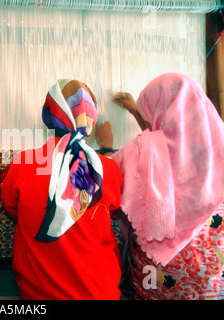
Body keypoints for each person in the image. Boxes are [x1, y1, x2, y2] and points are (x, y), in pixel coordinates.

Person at [96, 73, 224, 300]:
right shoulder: (216, 139)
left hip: (163, 282)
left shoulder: (142, 150)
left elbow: (109, 174)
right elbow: (173, 141)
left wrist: (105, 146)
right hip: (215, 277)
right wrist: (138, 111)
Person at [1, 79, 123, 300]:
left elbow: (11, 208)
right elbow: (112, 209)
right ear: (91, 118)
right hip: (101, 293)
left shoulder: (24, 162)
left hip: (39, 295)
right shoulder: (108, 169)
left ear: (49, 115)